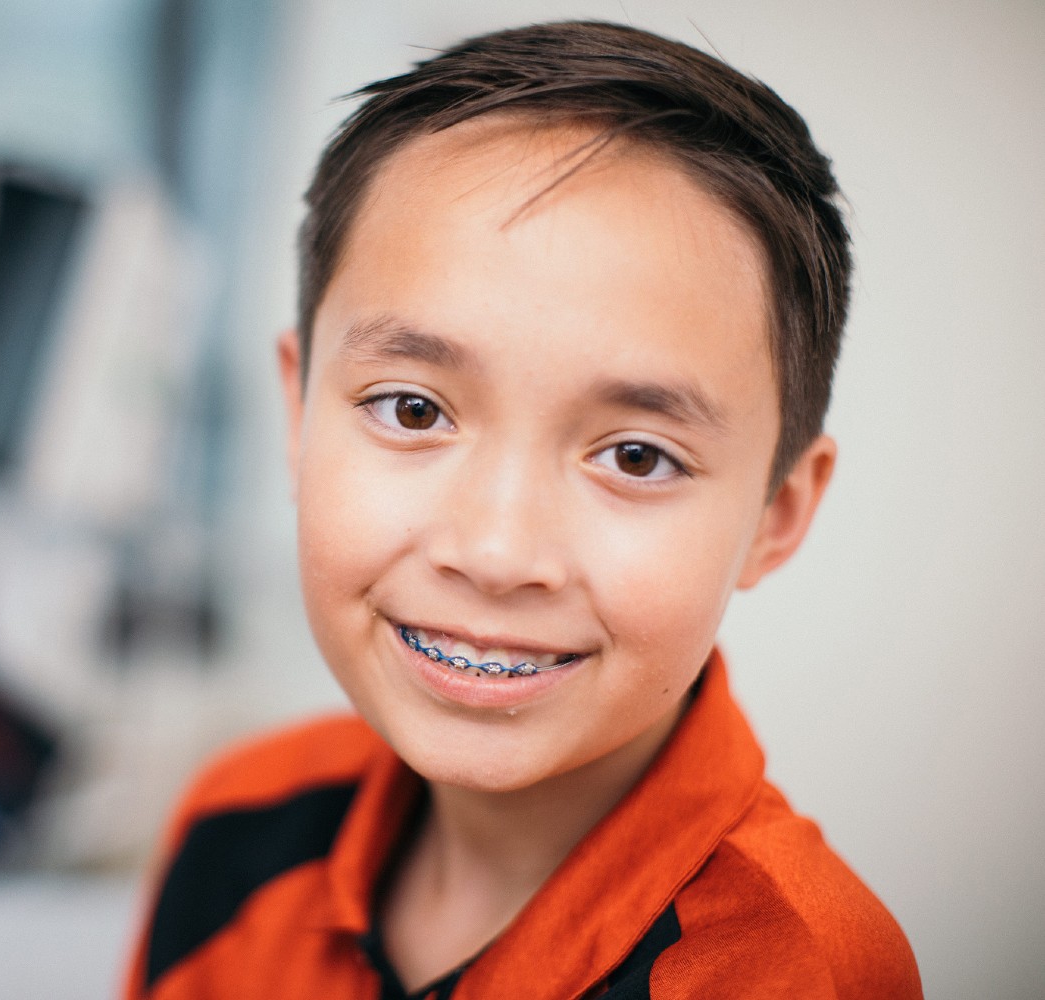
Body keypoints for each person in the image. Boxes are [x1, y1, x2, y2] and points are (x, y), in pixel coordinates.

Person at [123, 20, 922, 1000]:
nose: (498, 551)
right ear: (296, 415)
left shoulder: (792, 974)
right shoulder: (235, 827)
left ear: (777, 513)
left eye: (636, 456)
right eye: (412, 409)